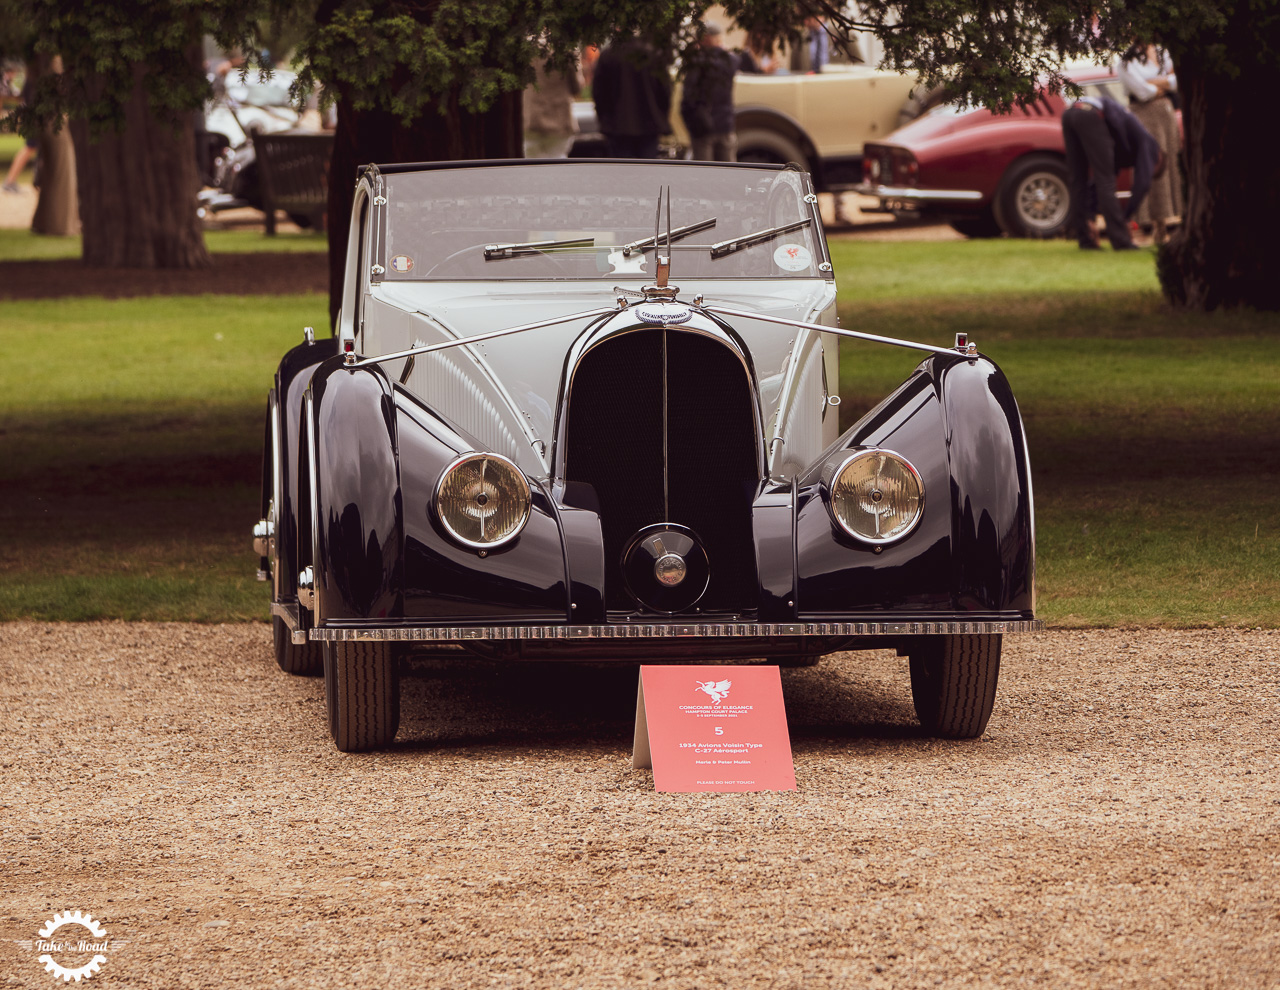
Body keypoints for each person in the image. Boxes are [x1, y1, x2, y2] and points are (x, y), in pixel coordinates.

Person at [1060, 94, 1164, 251]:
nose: (1148, 170)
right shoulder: (1151, 147)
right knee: (1106, 182)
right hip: (1091, 113)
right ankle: (1122, 242)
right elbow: (1142, 183)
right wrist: (1126, 218)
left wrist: (1090, 216)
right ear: (1159, 161)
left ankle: (1086, 239)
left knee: (1078, 179)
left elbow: (1094, 186)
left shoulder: (1124, 147)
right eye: (1153, 171)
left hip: (1070, 113)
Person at [1115, 45, 1182, 243]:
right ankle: (1154, 223)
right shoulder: (1126, 59)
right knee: (1150, 166)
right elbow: (1142, 92)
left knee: (1170, 166)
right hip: (1143, 116)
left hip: (1166, 115)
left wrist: (1155, 83)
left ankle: (1171, 221)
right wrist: (1164, 84)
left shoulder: (1163, 52)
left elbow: (1177, 82)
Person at [592, 35, 672, 159]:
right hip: (649, 123)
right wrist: (662, 116)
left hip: (617, 125)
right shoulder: (653, 53)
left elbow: (599, 92)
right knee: (647, 171)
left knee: (622, 172)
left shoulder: (609, 55)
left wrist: (604, 119)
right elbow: (665, 91)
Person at [680, 22, 737, 162]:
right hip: (725, 123)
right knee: (728, 171)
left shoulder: (697, 62)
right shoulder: (729, 60)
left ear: (705, 38)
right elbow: (736, 59)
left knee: (705, 173)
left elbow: (689, 95)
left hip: (702, 126)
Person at [523, 57, 581, 159]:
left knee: (531, 163)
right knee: (557, 161)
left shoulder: (527, 50)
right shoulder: (567, 51)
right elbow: (576, 87)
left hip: (531, 118)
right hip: (559, 118)